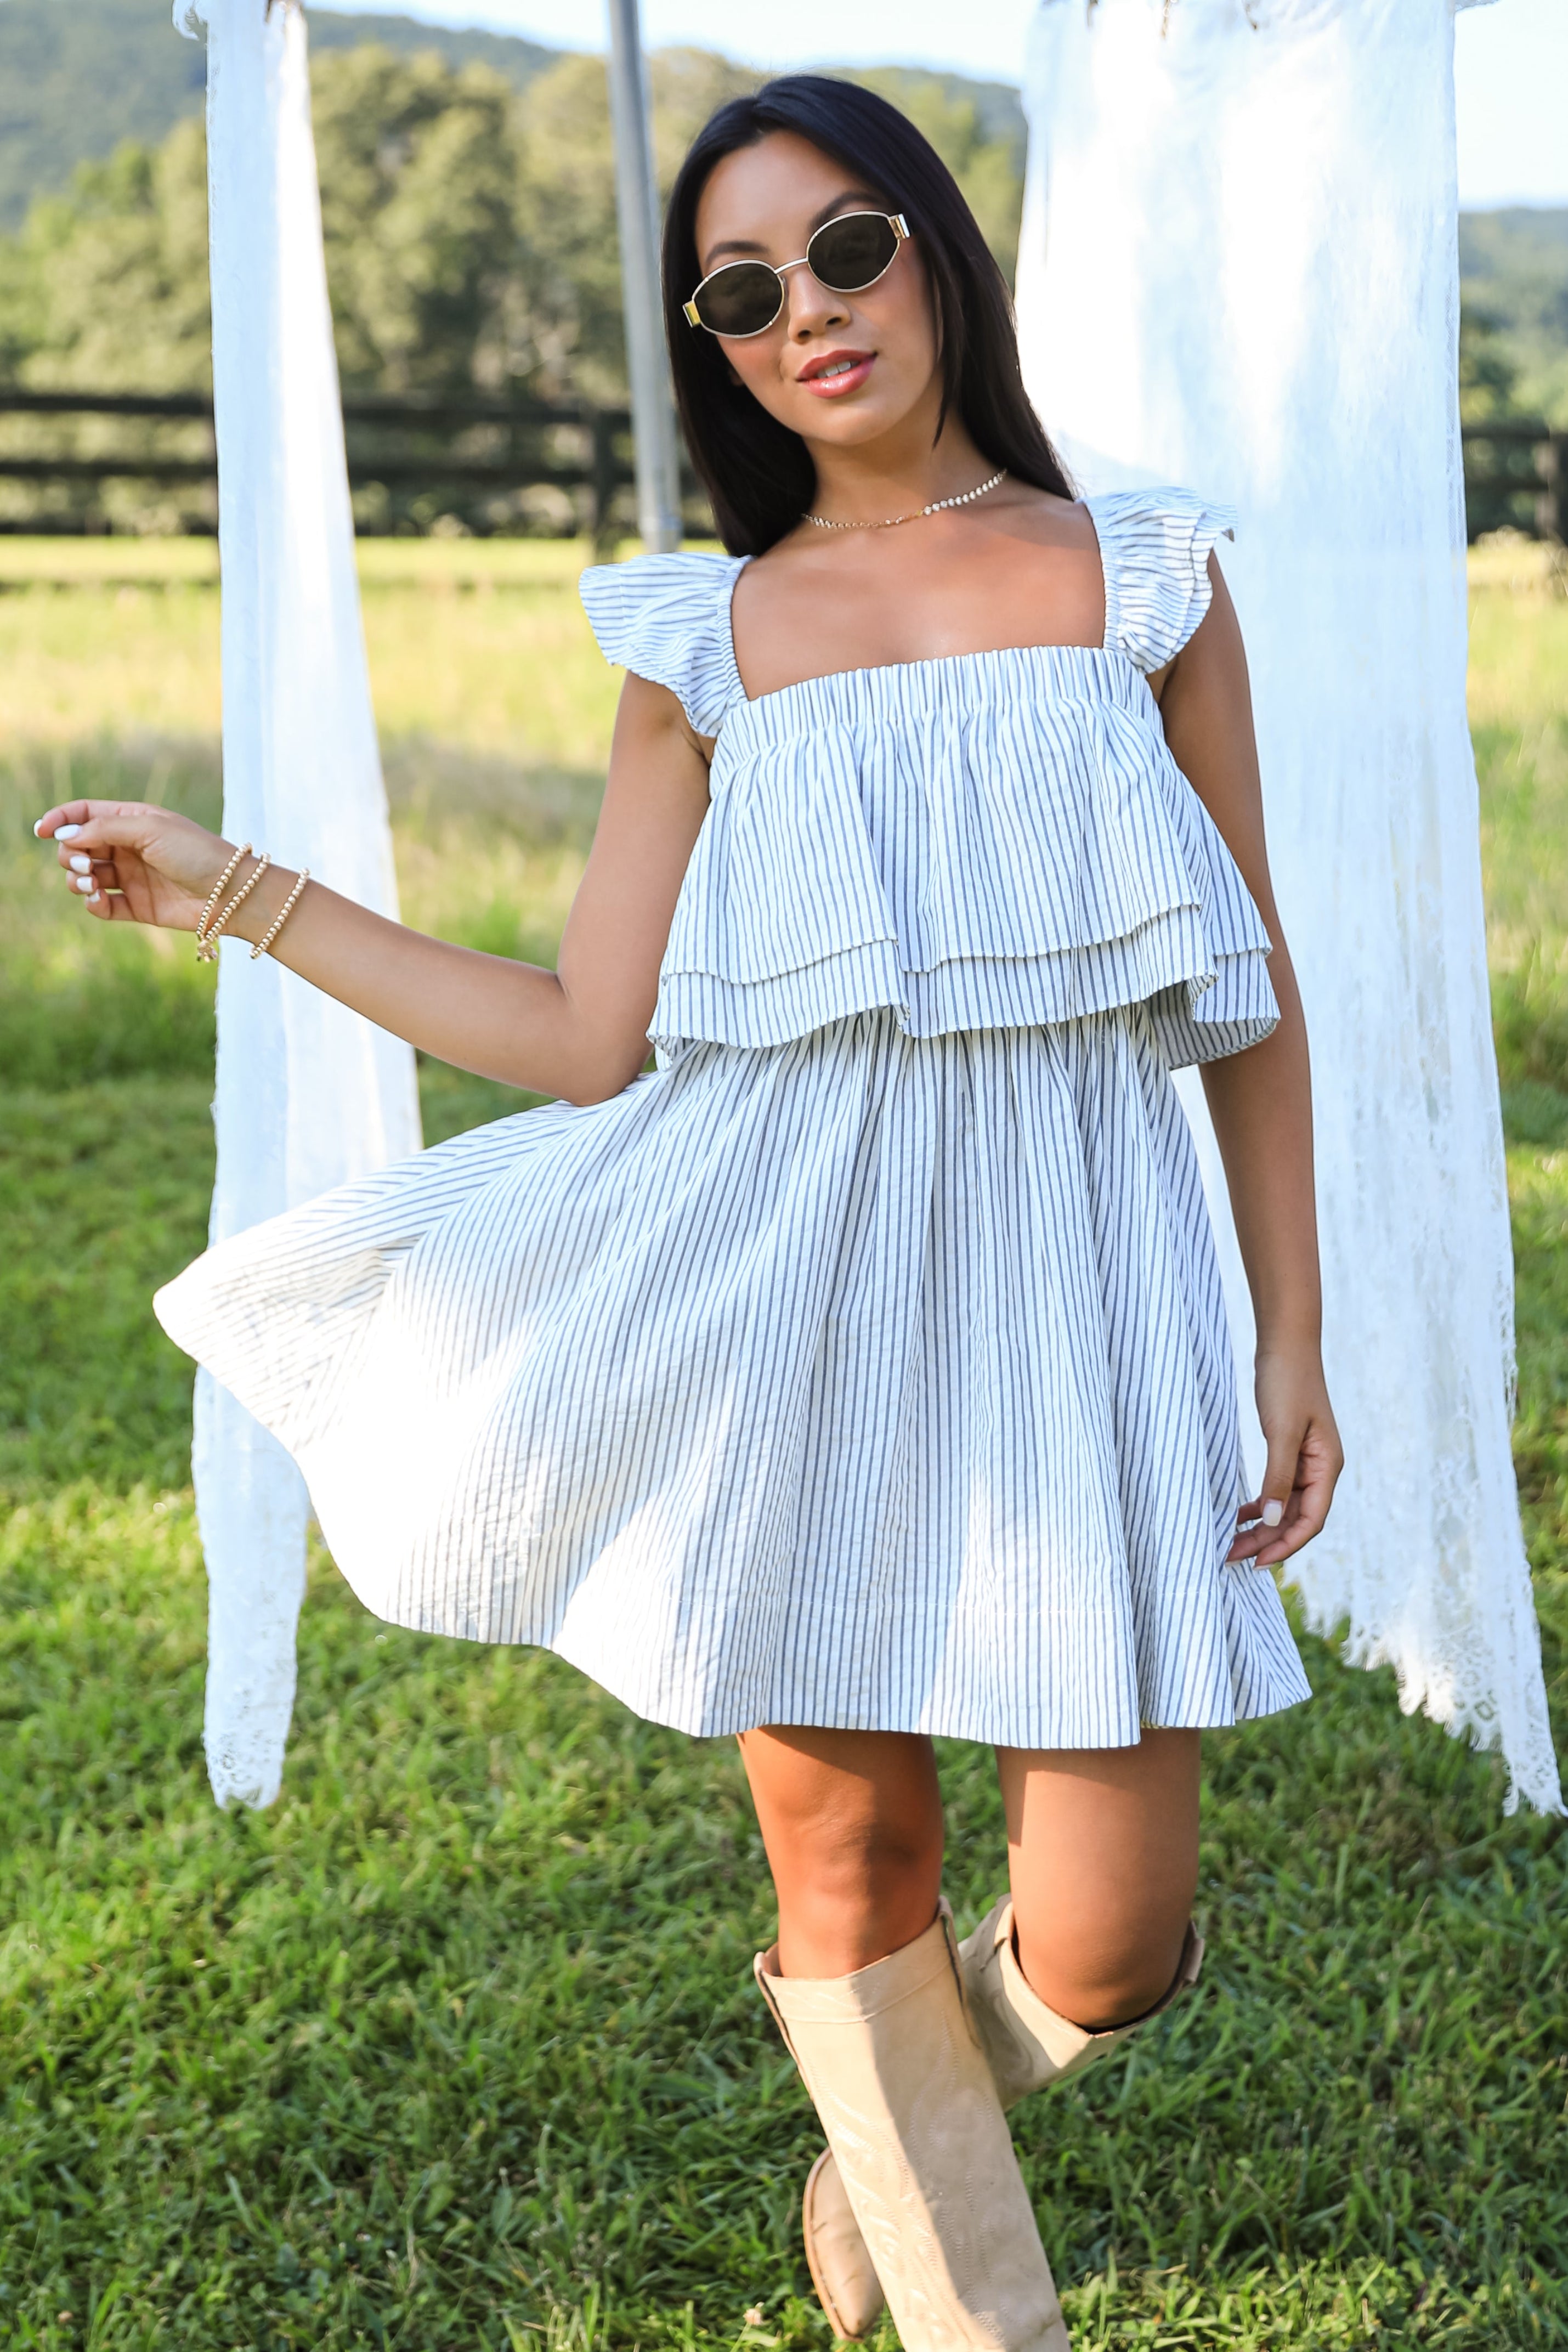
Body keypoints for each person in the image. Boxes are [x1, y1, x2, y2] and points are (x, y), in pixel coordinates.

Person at [35, 76, 1341, 2352]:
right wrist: (237, 889)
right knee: (856, 1860)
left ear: (934, 246)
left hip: (1086, 1302)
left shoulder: (1141, 572)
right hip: (790, 1298)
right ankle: (967, 2308)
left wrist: (1290, 1333)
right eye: (742, 292)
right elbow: (579, 1032)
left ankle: (888, 2146)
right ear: (711, 349)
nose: (806, 314)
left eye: (846, 249)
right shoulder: (706, 637)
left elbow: (1253, 987)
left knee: (1111, 1939)